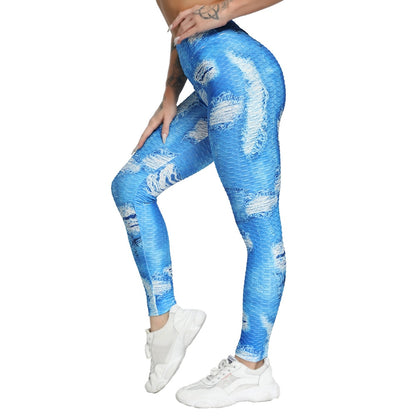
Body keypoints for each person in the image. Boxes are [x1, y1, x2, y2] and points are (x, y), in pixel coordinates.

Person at [111, 0, 287, 408]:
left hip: (244, 80)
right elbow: (181, 21)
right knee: (130, 187)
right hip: (209, 83)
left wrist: (224, 10)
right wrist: (170, 92)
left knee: (259, 227)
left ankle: (252, 366)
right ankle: (167, 322)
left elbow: (203, 14)